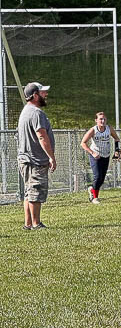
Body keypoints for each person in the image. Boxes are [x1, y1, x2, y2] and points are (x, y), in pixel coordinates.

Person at [17, 81, 56, 230]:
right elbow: (42, 137)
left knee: (29, 192)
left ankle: (28, 224)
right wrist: (51, 157)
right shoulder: (36, 113)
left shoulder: (26, 111)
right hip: (35, 160)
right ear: (35, 95)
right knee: (35, 191)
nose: (45, 95)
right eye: (42, 93)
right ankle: (36, 224)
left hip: (26, 159)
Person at [80, 110, 121, 204]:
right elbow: (83, 143)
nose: (102, 121)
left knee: (102, 178)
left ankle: (92, 190)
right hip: (95, 156)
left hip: (106, 155)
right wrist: (92, 152)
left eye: (104, 119)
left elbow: (116, 138)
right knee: (97, 176)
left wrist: (116, 150)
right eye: (100, 119)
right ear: (96, 120)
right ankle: (95, 198)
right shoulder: (93, 130)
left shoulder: (109, 129)